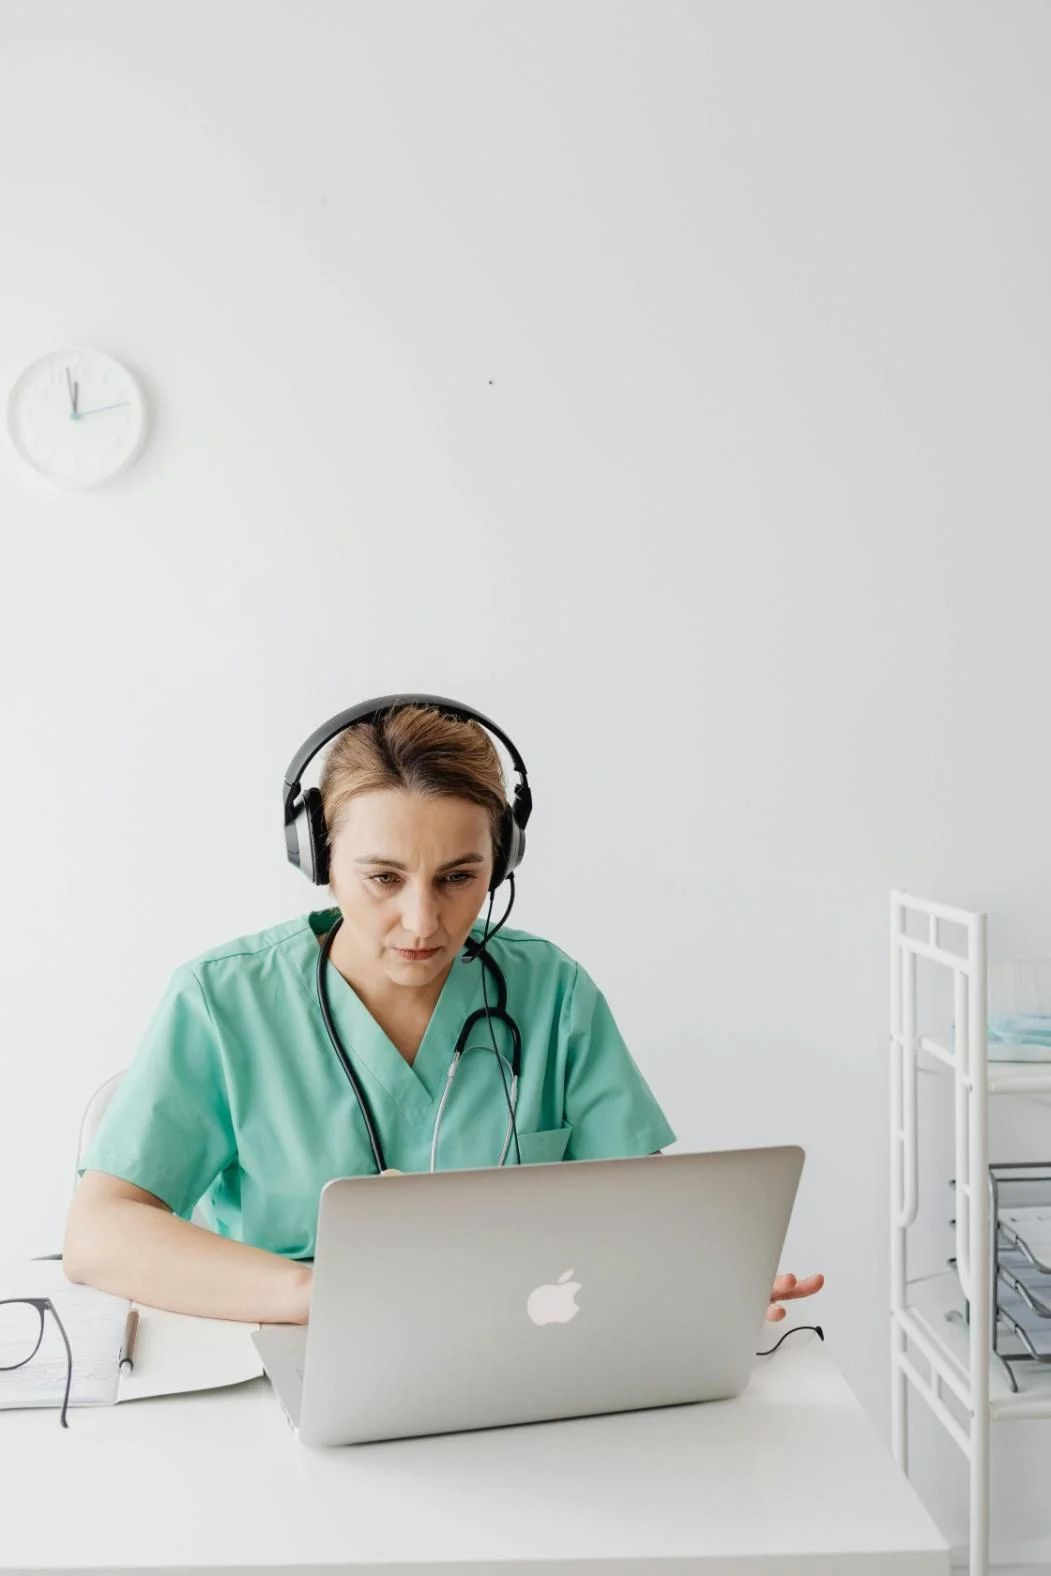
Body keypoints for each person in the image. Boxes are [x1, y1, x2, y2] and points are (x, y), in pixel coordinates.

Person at [63, 698, 823, 1328]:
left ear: (503, 861)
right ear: (317, 857)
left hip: (519, 1349)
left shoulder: (549, 991)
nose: (423, 922)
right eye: (383, 877)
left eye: (460, 877)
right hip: (297, 1346)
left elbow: (638, 1211)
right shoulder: (224, 1003)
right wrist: (318, 1297)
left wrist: (697, 1276)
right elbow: (99, 1235)